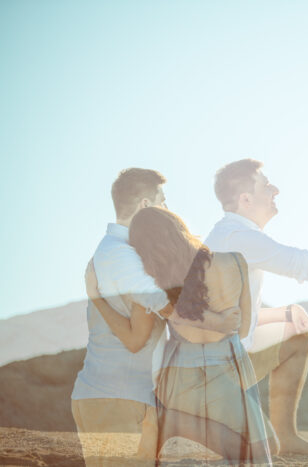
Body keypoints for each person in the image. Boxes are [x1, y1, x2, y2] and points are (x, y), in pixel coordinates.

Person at [74, 168, 238, 467]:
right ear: (146, 205)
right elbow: (160, 304)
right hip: (116, 398)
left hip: (121, 395)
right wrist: (219, 323)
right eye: (164, 202)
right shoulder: (121, 255)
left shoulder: (123, 251)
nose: (168, 209)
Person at [205, 159, 308, 455]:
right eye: (266, 185)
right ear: (245, 199)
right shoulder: (243, 239)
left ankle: (280, 435)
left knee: (292, 323)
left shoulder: (222, 235)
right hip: (223, 369)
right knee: (298, 338)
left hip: (207, 357)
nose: (275, 189)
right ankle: (286, 437)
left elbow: (230, 314)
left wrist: (283, 313)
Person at [129, 206, 275, 465]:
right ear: (179, 230)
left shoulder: (156, 283)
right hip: (229, 369)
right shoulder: (235, 261)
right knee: (247, 455)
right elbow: (242, 329)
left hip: (180, 376)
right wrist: (219, 322)